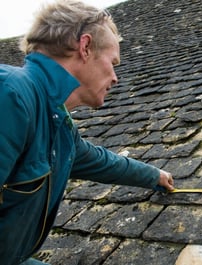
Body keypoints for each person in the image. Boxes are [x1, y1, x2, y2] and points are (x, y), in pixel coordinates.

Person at [0, 1, 174, 264]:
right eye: (112, 62)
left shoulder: (58, 126)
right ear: (85, 47)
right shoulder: (11, 95)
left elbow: (103, 162)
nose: (115, 77)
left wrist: (154, 175)